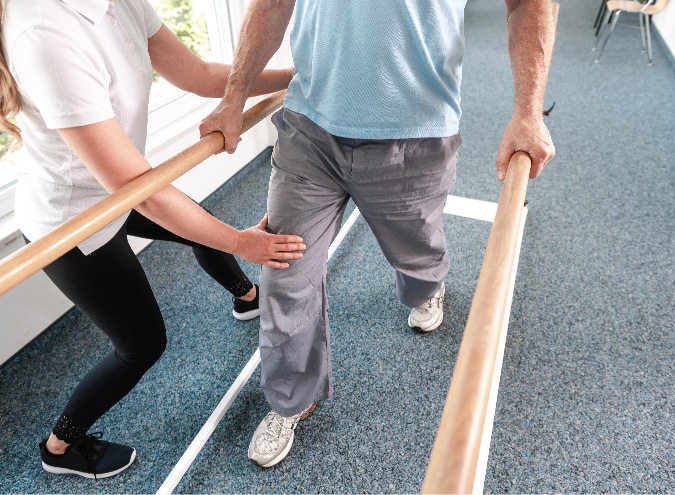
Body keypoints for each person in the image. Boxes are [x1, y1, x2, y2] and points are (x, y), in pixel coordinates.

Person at [200, 0, 556, 468]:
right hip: (310, 129)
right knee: (284, 274)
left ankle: (427, 286)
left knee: (416, 253)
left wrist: (528, 111)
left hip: (415, 135)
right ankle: (291, 399)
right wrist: (233, 96)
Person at [0, 0, 306, 479]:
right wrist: (242, 243)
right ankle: (61, 447)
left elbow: (199, 74)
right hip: (74, 219)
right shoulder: (44, 35)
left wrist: (292, 76)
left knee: (200, 226)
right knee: (141, 345)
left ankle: (246, 297)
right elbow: (144, 195)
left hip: (118, 189)